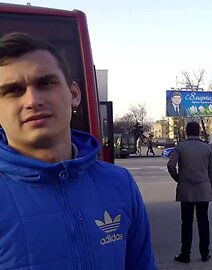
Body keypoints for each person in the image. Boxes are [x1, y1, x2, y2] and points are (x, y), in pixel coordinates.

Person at [0, 32, 157, 269]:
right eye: (12, 90)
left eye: (46, 83)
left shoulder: (119, 183)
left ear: (74, 94)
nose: (32, 100)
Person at [167, 121, 212, 263]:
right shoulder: (207, 148)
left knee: (186, 223)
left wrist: (179, 179)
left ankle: (185, 254)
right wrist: (208, 185)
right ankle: (205, 254)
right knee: (203, 222)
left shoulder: (181, 147)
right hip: (203, 189)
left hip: (186, 190)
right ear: (199, 131)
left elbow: (170, 165)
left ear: (187, 132)